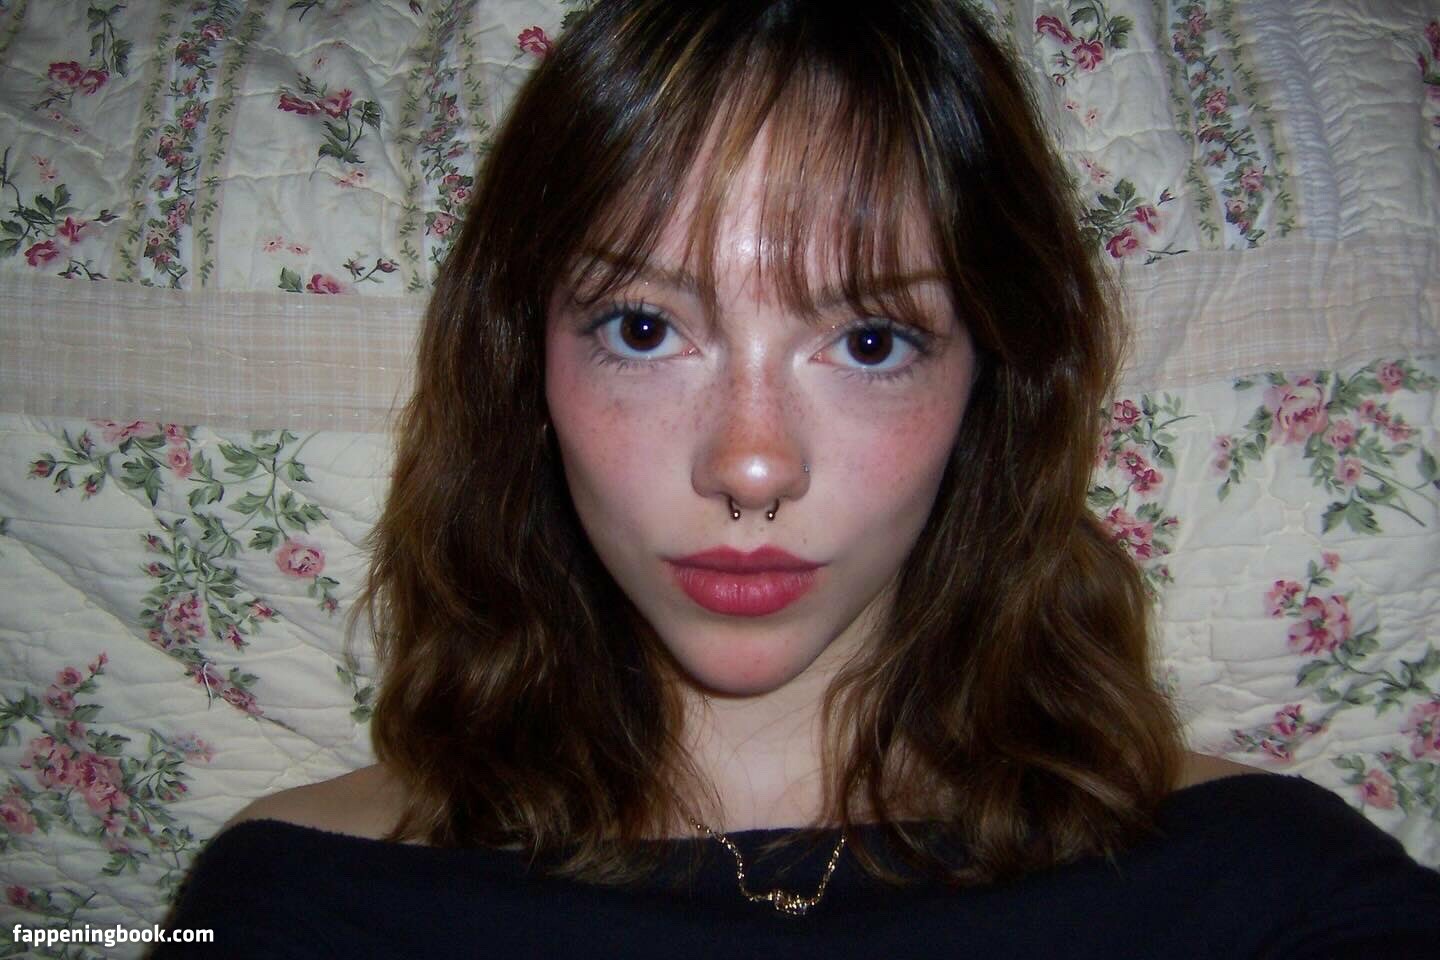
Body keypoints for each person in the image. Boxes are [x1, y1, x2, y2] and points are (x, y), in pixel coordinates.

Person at [153, 0, 1440, 955]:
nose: (752, 464)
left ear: (992, 381)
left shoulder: (1268, 887)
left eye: (870, 342)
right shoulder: (307, 903)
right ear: (524, 366)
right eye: (644, 329)